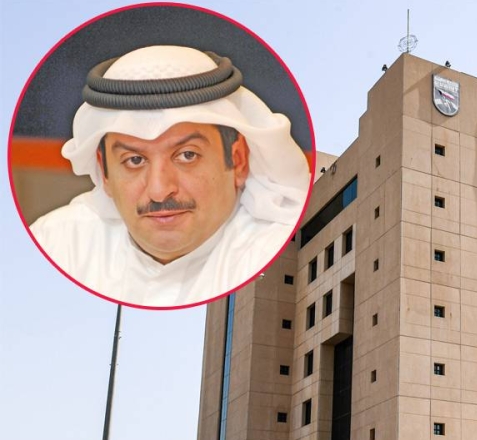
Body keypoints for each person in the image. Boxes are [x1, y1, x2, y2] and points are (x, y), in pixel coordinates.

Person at [28, 44, 310, 307]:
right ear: (104, 173)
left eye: (187, 155)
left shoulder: (272, 247)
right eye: (134, 160)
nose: (160, 190)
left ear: (237, 161)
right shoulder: (60, 243)